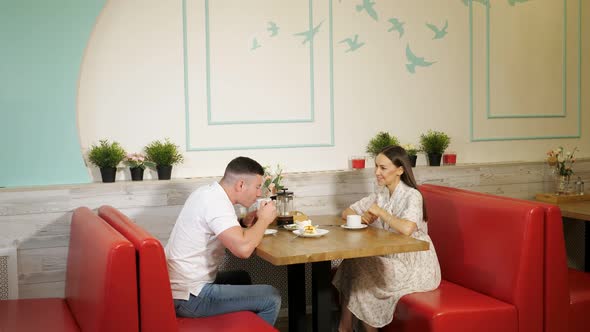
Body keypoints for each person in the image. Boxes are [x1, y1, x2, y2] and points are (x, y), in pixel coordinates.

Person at [333, 145, 441, 332]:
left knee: (358, 268)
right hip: (390, 258)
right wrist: (363, 218)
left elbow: (407, 228)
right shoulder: (381, 194)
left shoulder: (412, 195)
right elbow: (346, 212)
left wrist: (381, 213)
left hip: (415, 266)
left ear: (400, 170)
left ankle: (346, 327)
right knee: (351, 263)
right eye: (376, 167)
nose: (377, 172)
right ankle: (347, 326)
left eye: (383, 168)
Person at [165, 156, 281, 326]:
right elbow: (243, 250)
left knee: (241, 278)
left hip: (178, 288)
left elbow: (219, 231)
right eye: (257, 187)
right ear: (241, 185)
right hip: (189, 297)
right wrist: (264, 220)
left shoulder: (208, 193)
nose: (259, 193)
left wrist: (242, 223)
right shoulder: (216, 203)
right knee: (271, 297)